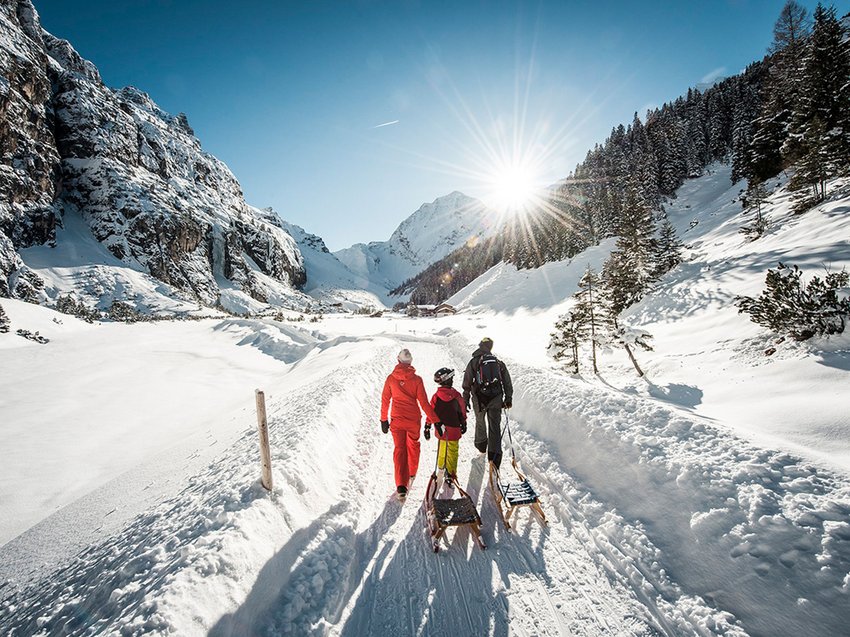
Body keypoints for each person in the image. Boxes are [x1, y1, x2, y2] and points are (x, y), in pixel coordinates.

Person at [381, 348, 441, 501]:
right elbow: (424, 403)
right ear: (410, 362)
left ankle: (401, 486)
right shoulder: (417, 380)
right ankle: (412, 473)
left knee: (400, 449)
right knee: (413, 445)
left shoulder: (391, 379)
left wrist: (383, 419)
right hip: (413, 420)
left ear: (398, 361)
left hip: (397, 420)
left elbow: (385, 400)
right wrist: (436, 421)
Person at [462, 337, 513, 468]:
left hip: (479, 398)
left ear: (480, 346)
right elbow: (507, 381)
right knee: (494, 426)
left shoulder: (474, 361)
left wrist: (465, 399)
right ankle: (494, 458)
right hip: (496, 397)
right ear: (490, 347)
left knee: (480, 422)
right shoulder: (498, 362)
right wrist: (508, 398)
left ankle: (481, 446)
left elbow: (467, 382)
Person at [426, 367, 467, 488]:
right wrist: (463, 422)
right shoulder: (457, 396)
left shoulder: (436, 397)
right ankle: (451, 474)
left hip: (442, 430)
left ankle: (441, 467)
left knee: (442, 447)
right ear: (448, 381)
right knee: (453, 451)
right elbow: (462, 411)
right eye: (452, 378)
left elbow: (431, 412)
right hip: (454, 430)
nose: (453, 380)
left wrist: (427, 426)